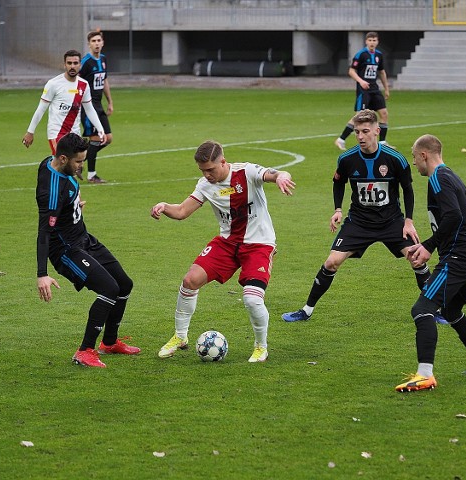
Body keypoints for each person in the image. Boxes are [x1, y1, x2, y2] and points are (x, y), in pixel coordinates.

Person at [151, 140, 296, 363]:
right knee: (190, 280)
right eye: (203, 170)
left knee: (252, 299)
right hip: (227, 243)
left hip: (259, 244)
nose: (207, 175)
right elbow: (181, 212)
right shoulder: (205, 185)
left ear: (223, 162)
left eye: (210, 169)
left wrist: (282, 175)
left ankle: (261, 347)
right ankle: (180, 337)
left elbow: (272, 173)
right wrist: (164, 206)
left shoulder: (246, 172)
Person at [282, 109, 430, 323]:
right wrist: (338, 210)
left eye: (365, 131)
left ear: (377, 131)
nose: (360, 136)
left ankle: (435, 310)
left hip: (392, 222)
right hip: (359, 223)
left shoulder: (396, 159)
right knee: (332, 262)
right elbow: (338, 183)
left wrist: (408, 221)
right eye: (357, 132)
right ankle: (306, 310)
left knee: (417, 259)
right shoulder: (347, 159)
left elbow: (408, 189)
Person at [396, 134, 466, 392]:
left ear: (424, 155)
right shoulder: (451, 175)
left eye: (413, 155)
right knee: (452, 312)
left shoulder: (439, 178)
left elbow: (452, 216)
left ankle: (425, 374)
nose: (413, 161)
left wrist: (428, 246)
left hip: (459, 257)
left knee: (422, 308)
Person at [36, 133, 139, 368]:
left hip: (84, 239)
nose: (82, 165)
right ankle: (84, 351)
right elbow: (44, 232)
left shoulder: (48, 163)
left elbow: (59, 182)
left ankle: (110, 343)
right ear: (63, 158)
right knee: (109, 288)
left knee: (124, 284)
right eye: (79, 162)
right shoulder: (52, 194)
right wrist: (42, 274)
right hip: (65, 250)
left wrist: (74, 203)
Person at [23, 50, 105, 164]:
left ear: (80, 65)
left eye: (75, 63)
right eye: (69, 63)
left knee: (75, 166)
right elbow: (41, 109)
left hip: (75, 134)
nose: (72, 66)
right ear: (64, 64)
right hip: (57, 133)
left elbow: (89, 109)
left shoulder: (84, 85)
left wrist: (100, 129)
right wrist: (30, 132)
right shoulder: (53, 84)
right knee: (63, 164)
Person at [335, 32, 392, 151]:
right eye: (370, 40)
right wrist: (361, 81)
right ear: (366, 41)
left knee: (384, 113)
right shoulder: (361, 54)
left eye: (374, 40)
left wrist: (386, 88)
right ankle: (341, 139)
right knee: (360, 116)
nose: (372, 42)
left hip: (375, 89)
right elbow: (351, 71)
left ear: (377, 42)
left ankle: (382, 142)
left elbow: (381, 72)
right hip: (363, 90)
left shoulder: (379, 55)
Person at [79, 31, 114, 184]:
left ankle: (77, 159)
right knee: (96, 139)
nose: (97, 43)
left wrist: (110, 102)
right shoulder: (86, 62)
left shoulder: (104, 59)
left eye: (99, 40)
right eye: (93, 41)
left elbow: (104, 81)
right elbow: (77, 83)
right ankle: (91, 175)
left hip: (99, 105)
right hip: (87, 106)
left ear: (103, 42)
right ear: (89, 44)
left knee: (108, 138)